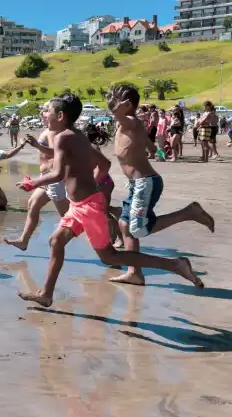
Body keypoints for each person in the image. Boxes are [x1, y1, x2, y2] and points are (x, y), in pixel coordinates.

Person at [16, 93, 204, 308]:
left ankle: (174, 265)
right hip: (81, 205)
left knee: (110, 256)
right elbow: (104, 164)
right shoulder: (76, 136)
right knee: (56, 241)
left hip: (88, 208)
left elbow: (58, 174)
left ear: (60, 115)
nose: (44, 114)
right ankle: (46, 294)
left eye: (47, 110)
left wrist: (33, 184)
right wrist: (91, 189)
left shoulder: (62, 138)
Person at [105, 84, 214, 285]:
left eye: (115, 98)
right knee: (124, 225)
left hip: (144, 184)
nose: (111, 101)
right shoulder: (129, 125)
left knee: (137, 229)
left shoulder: (129, 121)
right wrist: (153, 149)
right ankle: (134, 272)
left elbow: (117, 113)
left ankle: (189, 213)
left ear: (126, 104)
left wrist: (117, 105)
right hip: (138, 184)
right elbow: (149, 146)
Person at [4, 101, 70, 250]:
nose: (42, 113)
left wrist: (37, 145)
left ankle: (102, 239)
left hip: (54, 178)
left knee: (69, 216)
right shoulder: (47, 130)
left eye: (46, 111)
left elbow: (57, 154)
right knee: (33, 204)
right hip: (45, 177)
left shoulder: (54, 132)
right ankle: (23, 241)